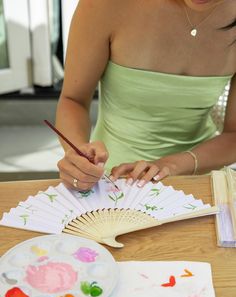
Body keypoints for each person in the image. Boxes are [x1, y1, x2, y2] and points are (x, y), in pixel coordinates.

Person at [56, 0, 236, 191]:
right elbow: (73, 100)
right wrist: (77, 154)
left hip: (198, 173)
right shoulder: (105, 5)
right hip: (110, 177)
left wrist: (173, 164)